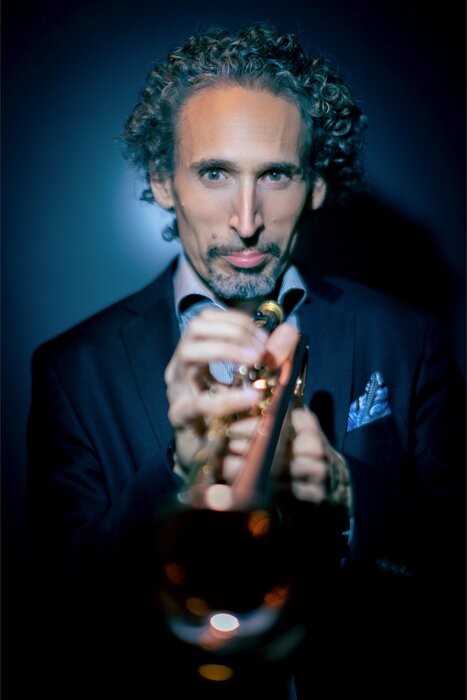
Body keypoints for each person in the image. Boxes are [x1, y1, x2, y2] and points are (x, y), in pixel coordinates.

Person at [26, 23, 464, 700]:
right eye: (215, 173)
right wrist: (178, 472)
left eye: (276, 175)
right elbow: (66, 614)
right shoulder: (71, 371)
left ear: (315, 186)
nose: (247, 220)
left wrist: (348, 494)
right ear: (162, 181)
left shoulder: (408, 340)